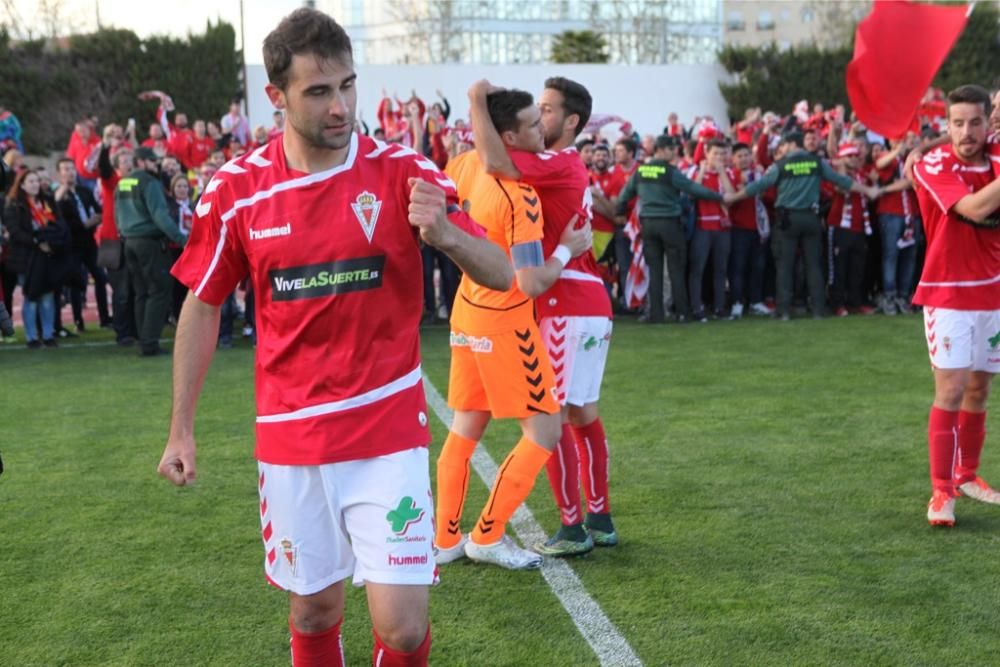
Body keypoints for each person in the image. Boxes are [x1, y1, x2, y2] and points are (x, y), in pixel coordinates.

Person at [157, 9, 513, 666]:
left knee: (403, 628)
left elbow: (504, 272)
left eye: (347, 86)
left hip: (387, 430)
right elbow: (202, 305)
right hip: (292, 440)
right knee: (314, 609)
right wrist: (182, 426)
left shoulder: (405, 172)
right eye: (319, 91)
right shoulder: (237, 192)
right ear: (277, 97)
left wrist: (450, 237)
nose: (340, 105)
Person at [434, 86, 591, 568]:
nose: (540, 128)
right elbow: (531, 281)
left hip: (466, 313)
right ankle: (487, 535)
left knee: (463, 431)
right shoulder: (521, 197)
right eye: (530, 123)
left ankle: (444, 539)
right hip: (507, 324)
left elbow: (447, 192)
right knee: (544, 432)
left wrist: (476, 104)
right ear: (508, 135)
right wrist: (567, 248)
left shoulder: (465, 166)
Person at [468, 76, 620, 556]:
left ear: (571, 121)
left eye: (548, 110)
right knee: (583, 416)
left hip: (564, 303)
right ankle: (600, 518)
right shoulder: (567, 165)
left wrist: (476, 100)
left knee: (546, 419)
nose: (539, 115)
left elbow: (494, 160)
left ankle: (572, 527)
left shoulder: (556, 162)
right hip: (590, 303)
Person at [910, 84, 1000, 526]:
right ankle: (941, 492)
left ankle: (967, 476)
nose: (967, 132)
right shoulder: (933, 164)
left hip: (994, 293)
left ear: (988, 122)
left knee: (980, 390)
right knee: (950, 390)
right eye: (958, 123)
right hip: (947, 294)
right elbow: (973, 208)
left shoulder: (996, 158)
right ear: (946, 125)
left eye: (976, 122)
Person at [725, 131, 879, 320]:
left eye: (783, 145)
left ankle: (784, 312)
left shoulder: (780, 165)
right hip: (811, 218)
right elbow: (842, 180)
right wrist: (868, 190)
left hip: (787, 220)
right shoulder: (816, 163)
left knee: (785, 266)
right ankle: (818, 310)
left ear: (790, 144)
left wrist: (733, 197)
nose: (782, 148)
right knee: (813, 265)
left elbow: (758, 186)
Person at [615, 135, 725, 323]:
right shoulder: (670, 172)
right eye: (671, 149)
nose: (675, 153)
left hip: (648, 225)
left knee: (654, 271)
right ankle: (682, 313)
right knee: (676, 270)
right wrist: (719, 197)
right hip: (670, 224)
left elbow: (624, 195)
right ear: (661, 150)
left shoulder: (641, 171)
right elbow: (693, 189)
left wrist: (620, 210)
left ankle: (656, 314)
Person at [115, 146, 187, 356]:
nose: (155, 165)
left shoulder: (123, 182)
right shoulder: (150, 183)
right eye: (152, 162)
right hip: (150, 242)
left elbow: (116, 214)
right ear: (141, 162)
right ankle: (150, 342)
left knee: (141, 292)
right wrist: (182, 239)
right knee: (159, 290)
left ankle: (143, 338)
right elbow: (160, 216)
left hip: (129, 241)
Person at [4, 169, 67, 348]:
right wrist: (36, 242)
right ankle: (31, 337)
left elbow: (59, 224)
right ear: (22, 184)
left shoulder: (48, 201)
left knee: (48, 296)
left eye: (37, 181)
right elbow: (15, 232)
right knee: (31, 296)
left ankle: (48, 335)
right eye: (30, 181)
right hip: (27, 257)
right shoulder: (14, 204)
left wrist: (52, 242)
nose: (35, 184)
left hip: (48, 255)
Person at [54, 158, 110, 331]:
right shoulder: (59, 194)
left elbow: (98, 210)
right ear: (59, 173)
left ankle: (104, 317)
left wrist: (96, 219)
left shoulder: (84, 190)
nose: (70, 172)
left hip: (89, 242)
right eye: (65, 169)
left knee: (100, 277)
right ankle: (78, 320)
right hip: (71, 245)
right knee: (76, 282)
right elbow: (58, 215)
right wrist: (84, 224)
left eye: (72, 168)